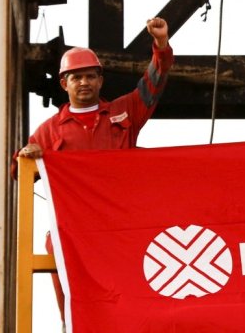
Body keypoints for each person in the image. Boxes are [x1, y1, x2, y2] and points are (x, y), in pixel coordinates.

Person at [14, 17, 173, 328]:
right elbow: (17, 172)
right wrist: (27, 156)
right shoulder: (49, 131)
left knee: (131, 305)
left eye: (89, 76)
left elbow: (155, 81)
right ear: (64, 84)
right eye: (76, 78)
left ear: (100, 81)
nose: (84, 83)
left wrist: (161, 45)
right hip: (71, 236)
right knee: (77, 310)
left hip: (121, 230)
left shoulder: (124, 113)